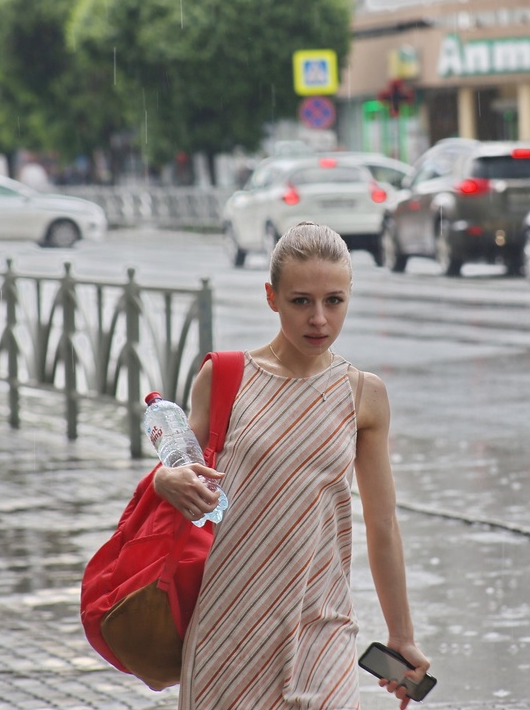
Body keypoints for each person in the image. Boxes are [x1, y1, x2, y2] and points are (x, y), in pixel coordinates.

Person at [153, 221, 430, 709]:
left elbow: (382, 522)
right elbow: (182, 469)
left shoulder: (363, 395)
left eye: (334, 301)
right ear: (272, 297)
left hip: (322, 626)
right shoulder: (225, 377)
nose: (319, 319)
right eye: (301, 301)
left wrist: (402, 634)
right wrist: (165, 480)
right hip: (228, 629)